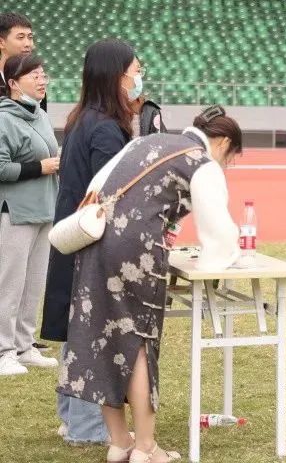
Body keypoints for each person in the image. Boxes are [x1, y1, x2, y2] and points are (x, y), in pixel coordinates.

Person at [59, 106, 243, 463]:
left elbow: (97, 186)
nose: (228, 165)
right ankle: (145, 447)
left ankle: (119, 442)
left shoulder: (145, 142)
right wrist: (222, 257)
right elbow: (219, 233)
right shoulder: (201, 162)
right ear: (222, 141)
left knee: (103, 339)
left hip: (94, 240)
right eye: (231, 157)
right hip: (135, 251)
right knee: (137, 344)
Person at [41, 39, 142, 445]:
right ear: (116, 75)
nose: (138, 78)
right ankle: (88, 427)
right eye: (135, 71)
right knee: (93, 335)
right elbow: (110, 197)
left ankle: (72, 418)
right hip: (92, 246)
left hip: (74, 239)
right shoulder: (104, 129)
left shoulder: (82, 118)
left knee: (77, 332)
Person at [0, 54, 60, 376]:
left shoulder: (41, 115)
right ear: (13, 83)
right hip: (16, 212)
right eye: (34, 75)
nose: (41, 80)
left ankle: (24, 346)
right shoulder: (4, 118)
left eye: (43, 74)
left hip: (44, 209)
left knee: (33, 284)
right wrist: (39, 167)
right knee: (9, 284)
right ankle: (3, 350)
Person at [0, 13, 44, 113]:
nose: (28, 44)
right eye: (20, 37)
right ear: (1, 43)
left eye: (30, 37)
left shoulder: (37, 83)